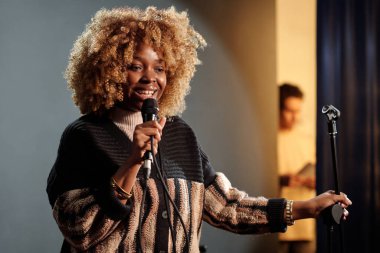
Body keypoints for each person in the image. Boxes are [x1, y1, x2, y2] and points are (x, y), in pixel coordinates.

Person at [46, 6, 351, 253]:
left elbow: (226, 207)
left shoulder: (180, 134)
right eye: (136, 66)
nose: (150, 78)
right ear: (109, 69)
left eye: (161, 68)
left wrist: (306, 207)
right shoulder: (83, 137)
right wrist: (132, 162)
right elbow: (80, 232)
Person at [278, 83, 316, 253]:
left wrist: (315, 181)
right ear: (277, 108)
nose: (295, 117)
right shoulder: (270, 137)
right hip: (277, 224)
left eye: (298, 111)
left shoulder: (307, 139)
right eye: (289, 111)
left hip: (305, 224)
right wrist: (281, 179)